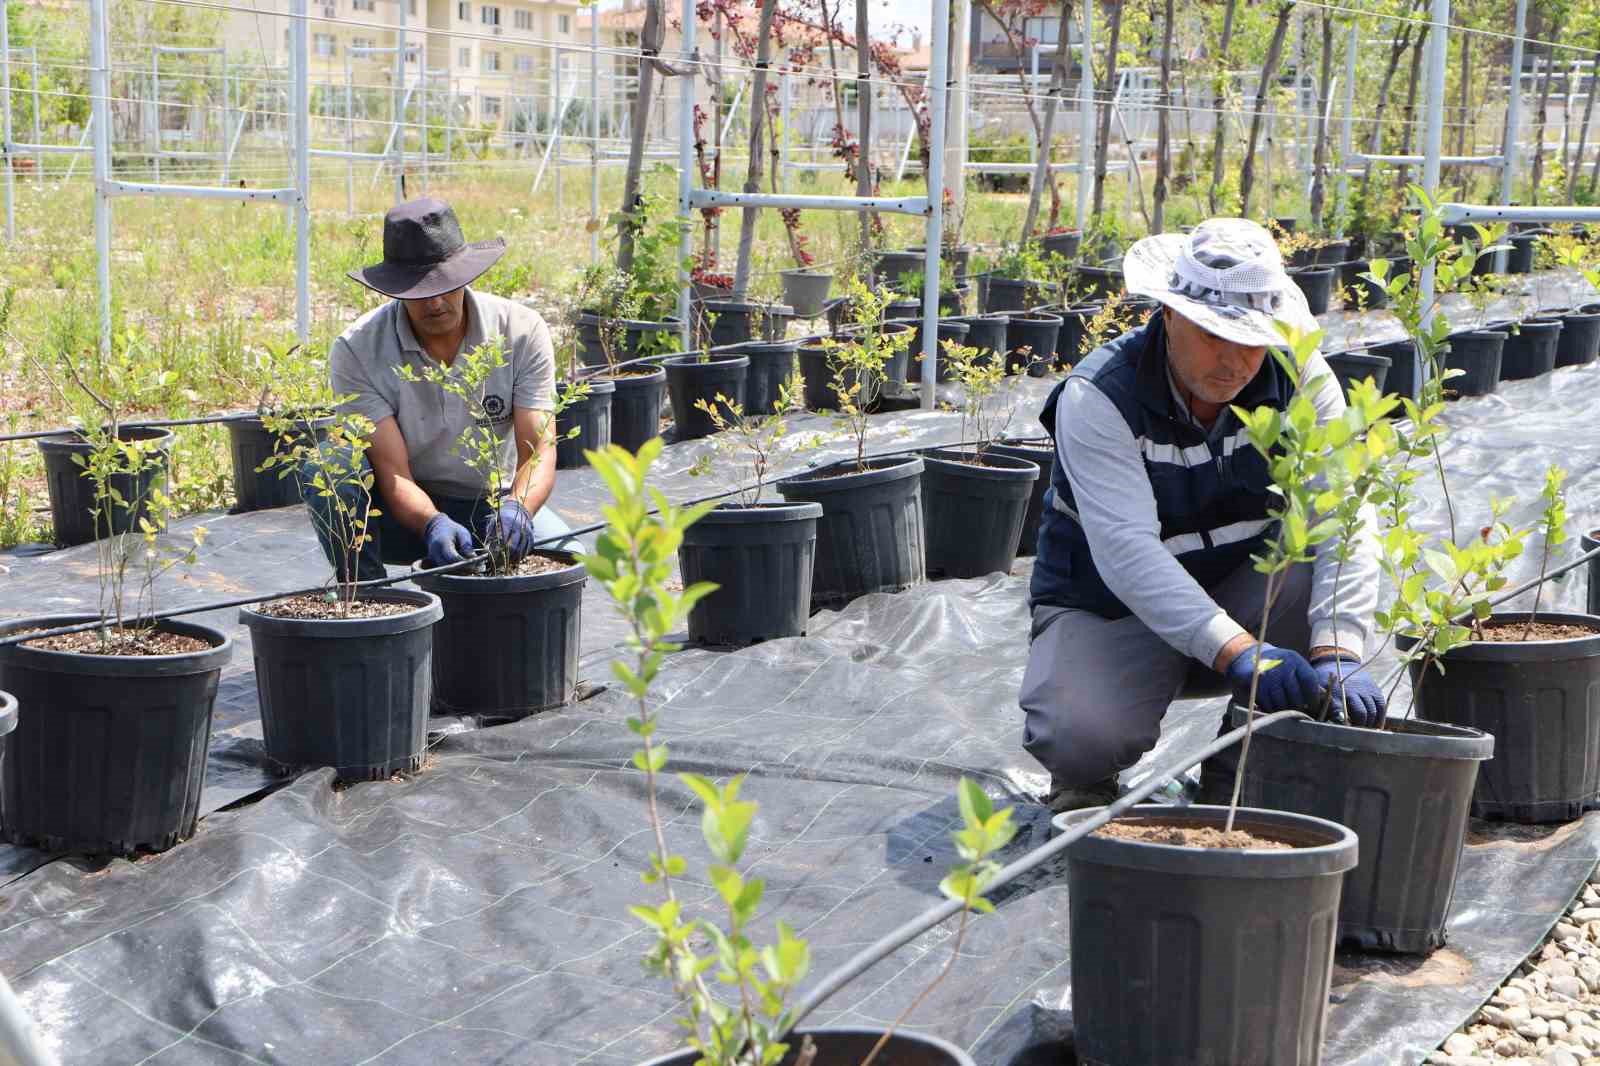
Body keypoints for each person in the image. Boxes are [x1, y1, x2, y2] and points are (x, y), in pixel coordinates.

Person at [1019, 218, 1387, 812]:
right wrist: (1239, 651)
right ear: (1168, 316)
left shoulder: (1299, 377)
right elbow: (1127, 553)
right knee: (1078, 735)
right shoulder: (1100, 397)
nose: (1235, 360)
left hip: (1245, 585)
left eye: (1253, 339)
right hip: (1113, 608)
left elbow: (1343, 512)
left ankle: (1243, 770)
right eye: (1214, 335)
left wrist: (1339, 648)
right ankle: (1086, 782)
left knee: (1304, 573)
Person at [303, 196, 575, 579]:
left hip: (491, 505)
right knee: (330, 466)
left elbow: (539, 451)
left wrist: (517, 509)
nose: (435, 302)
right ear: (395, 289)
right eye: (418, 291)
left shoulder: (520, 331)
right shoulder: (359, 349)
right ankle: (368, 596)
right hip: (400, 513)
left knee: (568, 558)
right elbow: (393, 472)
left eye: (446, 286)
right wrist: (432, 522)